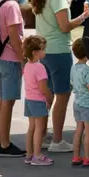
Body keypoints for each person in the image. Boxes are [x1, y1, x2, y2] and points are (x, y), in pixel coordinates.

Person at [31, 0, 89, 153]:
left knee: (46, 97)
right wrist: (83, 17)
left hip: (44, 51)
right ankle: (57, 140)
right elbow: (64, 26)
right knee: (62, 96)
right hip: (59, 51)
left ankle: (43, 136)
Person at [0, 0, 28, 158]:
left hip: (0, 57)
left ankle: (0, 140)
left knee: (3, 101)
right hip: (11, 58)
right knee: (8, 102)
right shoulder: (12, 6)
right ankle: (4, 144)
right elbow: (15, 39)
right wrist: (23, 60)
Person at [22, 35, 54, 166]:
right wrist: (49, 97)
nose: (44, 52)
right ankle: (38, 155)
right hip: (38, 100)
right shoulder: (40, 67)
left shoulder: (27, 66)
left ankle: (29, 154)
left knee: (31, 128)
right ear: (36, 52)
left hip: (29, 99)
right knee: (39, 129)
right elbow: (43, 87)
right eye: (43, 49)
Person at [70, 38, 89, 167]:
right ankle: (88, 157)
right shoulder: (87, 70)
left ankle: (76, 156)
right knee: (88, 132)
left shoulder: (74, 68)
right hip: (88, 104)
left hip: (77, 102)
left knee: (79, 129)